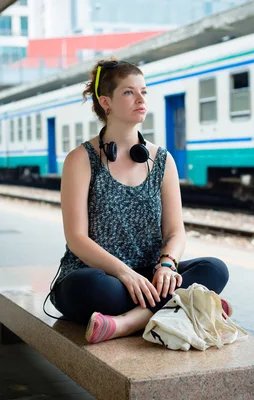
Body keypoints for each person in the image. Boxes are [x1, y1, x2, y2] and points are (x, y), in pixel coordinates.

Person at [47, 58, 232, 344]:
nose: (140, 99)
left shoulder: (162, 160)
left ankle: (127, 323)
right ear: (105, 102)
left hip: (151, 275)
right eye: (129, 92)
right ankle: (186, 307)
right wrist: (125, 274)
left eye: (144, 91)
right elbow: (76, 238)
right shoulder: (81, 160)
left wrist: (168, 265)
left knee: (215, 268)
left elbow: (175, 231)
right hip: (100, 276)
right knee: (92, 289)